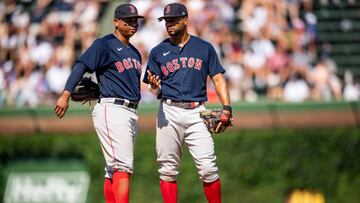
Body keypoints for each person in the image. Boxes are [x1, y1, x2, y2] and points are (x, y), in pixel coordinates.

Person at [54, 4, 144, 203]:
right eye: (128, 20)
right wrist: (65, 94)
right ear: (116, 22)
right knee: (122, 166)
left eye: (135, 20)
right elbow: (82, 67)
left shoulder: (135, 52)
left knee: (114, 168)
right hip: (113, 110)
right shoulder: (104, 44)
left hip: (130, 112)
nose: (133, 24)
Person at [143, 3, 232, 203]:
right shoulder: (158, 51)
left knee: (208, 167)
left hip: (196, 112)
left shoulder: (204, 47)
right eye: (166, 21)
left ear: (185, 20)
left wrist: (227, 107)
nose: (169, 24)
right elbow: (151, 88)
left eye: (173, 20)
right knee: (167, 169)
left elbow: (218, 78)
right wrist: (155, 87)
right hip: (169, 110)